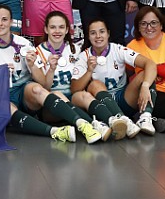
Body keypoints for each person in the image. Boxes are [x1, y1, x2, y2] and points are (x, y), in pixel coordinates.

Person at [0, 5, 100, 143]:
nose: (0, 24)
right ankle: (55, 132)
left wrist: (32, 65)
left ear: (11, 22)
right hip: (0, 93)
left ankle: (82, 124)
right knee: (7, 109)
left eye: (4, 19)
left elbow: (43, 83)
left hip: (23, 92)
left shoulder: (24, 44)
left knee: (37, 89)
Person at [27, 11, 114, 142]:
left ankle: (108, 122)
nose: (57, 31)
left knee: (84, 95)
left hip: (73, 99)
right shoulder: (37, 53)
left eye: (61, 27)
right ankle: (89, 123)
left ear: (67, 29)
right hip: (52, 108)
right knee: (57, 94)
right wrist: (51, 69)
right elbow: (45, 87)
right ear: (46, 29)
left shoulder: (75, 49)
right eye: (53, 27)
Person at [74, 18, 158, 136]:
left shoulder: (118, 49)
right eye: (93, 33)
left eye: (102, 31)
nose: (98, 36)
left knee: (146, 74)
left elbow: (150, 64)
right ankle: (125, 122)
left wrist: (145, 86)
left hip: (124, 99)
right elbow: (74, 89)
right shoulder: (84, 56)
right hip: (103, 106)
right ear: (88, 36)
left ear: (108, 33)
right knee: (94, 85)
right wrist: (89, 71)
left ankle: (145, 117)